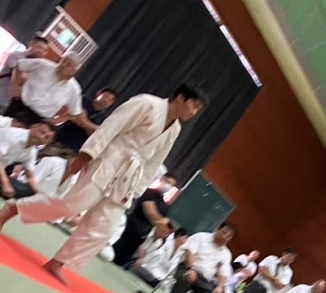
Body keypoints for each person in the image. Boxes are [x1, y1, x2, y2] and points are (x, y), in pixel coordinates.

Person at [0, 85, 206, 281]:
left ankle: (59, 262)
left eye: (198, 109)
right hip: (108, 160)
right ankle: (14, 209)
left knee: (105, 227)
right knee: (71, 206)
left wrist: (137, 189)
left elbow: (154, 161)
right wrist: (86, 155)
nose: (194, 112)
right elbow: (111, 127)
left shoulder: (174, 128)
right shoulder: (147, 103)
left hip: (128, 177)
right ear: (181, 98)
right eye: (194, 105)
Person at [159, 223, 235, 293]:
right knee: (186, 278)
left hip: (204, 280)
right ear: (217, 229)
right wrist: (191, 269)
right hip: (186, 268)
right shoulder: (201, 237)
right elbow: (189, 253)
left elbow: (223, 273)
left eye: (228, 236)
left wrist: (219, 287)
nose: (225, 237)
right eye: (223, 232)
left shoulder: (226, 254)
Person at [111, 174, 178, 267]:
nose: (168, 186)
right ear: (162, 180)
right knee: (111, 254)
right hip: (127, 230)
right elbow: (150, 213)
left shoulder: (165, 206)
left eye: (172, 185)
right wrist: (160, 220)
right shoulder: (148, 193)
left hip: (140, 237)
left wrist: (160, 222)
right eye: (168, 182)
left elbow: (163, 226)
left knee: (121, 261)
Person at [12, 53, 82, 123]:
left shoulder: (74, 89)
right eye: (63, 61)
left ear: (74, 71)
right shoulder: (43, 65)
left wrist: (55, 121)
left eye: (68, 64)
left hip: (39, 120)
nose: (63, 65)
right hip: (19, 104)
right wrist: (15, 85)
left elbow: (74, 113)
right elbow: (19, 65)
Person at [0, 117, 56, 196]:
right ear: (33, 127)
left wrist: (42, 196)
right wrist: (5, 183)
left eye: (46, 137)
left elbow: (30, 177)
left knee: (29, 192)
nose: (41, 137)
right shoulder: (12, 134)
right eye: (41, 132)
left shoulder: (32, 152)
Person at [55, 87, 118, 151]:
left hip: (74, 149)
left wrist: (84, 121)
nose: (106, 100)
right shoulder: (83, 101)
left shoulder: (105, 118)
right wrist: (92, 126)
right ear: (98, 94)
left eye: (110, 100)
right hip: (58, 138)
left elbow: (96, 134)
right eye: (106, 96)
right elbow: (75, 118)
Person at [0, 34, 52, 109]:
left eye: (44, 50)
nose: (41, 51)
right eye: (39, 47)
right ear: (31, 45)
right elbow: (20, 75)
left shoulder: (37, 67)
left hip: (10, 102)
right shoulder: (17, 55)